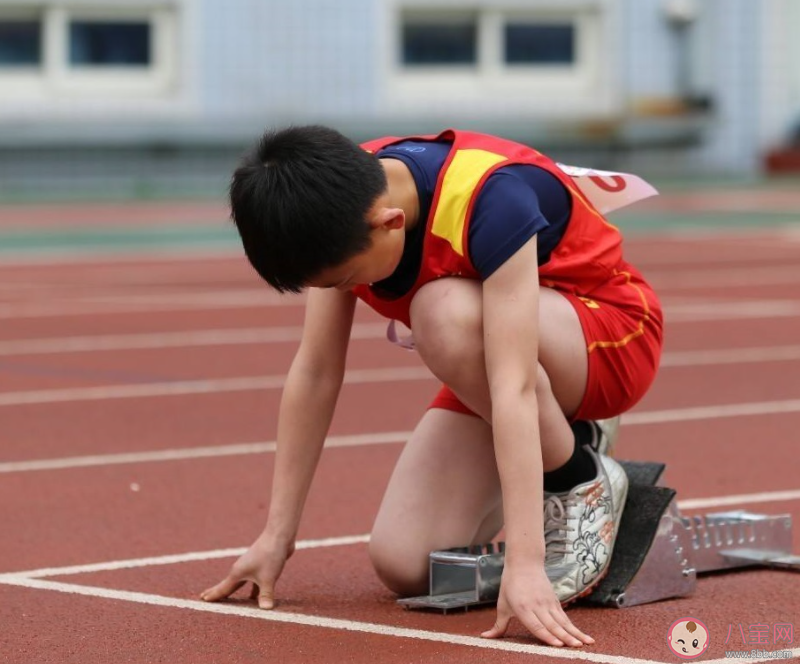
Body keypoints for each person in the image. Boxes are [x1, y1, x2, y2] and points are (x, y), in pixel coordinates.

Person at [200, 125, 663, 648]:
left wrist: (528, 563)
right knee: (406, 562)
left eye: (343, 280)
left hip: (606, 336)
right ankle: (576, 438)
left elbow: (512, 386)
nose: (343, 292)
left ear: (390, 222)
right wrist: (276, 535)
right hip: (494, 358)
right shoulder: (337, 200)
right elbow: (316, 370)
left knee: (440, 311)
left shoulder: (491, 197)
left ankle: (581, 476)